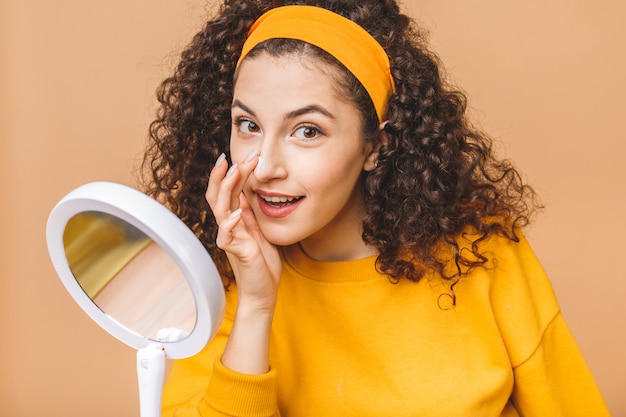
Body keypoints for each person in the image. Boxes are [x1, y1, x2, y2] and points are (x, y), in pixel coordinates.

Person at [141, 0, 610, 415]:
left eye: (307, 130)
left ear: (375, 146)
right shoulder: (214, 290)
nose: (264, 168)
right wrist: (257, 308)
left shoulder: (483, 255)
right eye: (247, 124)